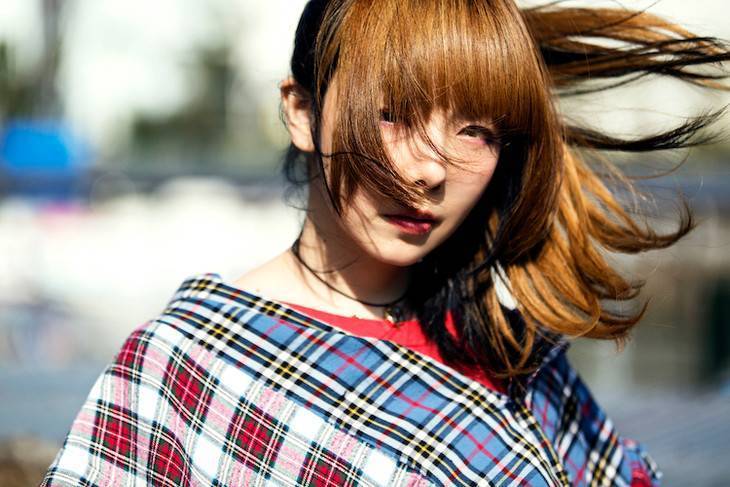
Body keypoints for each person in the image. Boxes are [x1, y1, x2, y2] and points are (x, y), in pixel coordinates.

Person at [42, 0, 728, 485]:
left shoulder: (507, 345)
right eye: (393, 114)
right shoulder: (186, 366)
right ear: (302, 111)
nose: (431, 170)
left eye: (476, 130)